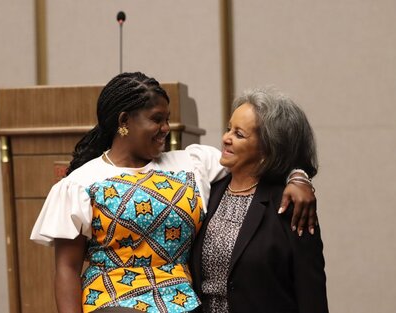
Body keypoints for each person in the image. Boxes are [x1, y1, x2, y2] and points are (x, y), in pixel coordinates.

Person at [30, 72, 317, 313]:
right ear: (124, 121)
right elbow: (67, 269)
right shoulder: (80, 183)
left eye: (168, 119)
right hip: (114, 303)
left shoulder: (194, 163)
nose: (166, 128)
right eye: (157, 119)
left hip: (184, 305)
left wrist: (299, 176)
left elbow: (256, 155)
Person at [190, 87, 328, 313]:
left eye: (239, 134)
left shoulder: (289, 204)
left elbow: (310, 292)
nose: (226, 138)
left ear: (268, 148)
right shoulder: (207, 190)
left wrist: (300, 177)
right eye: (228, 129)